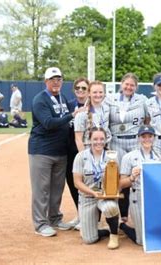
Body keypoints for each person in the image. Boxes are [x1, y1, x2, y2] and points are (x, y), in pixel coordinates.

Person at [28, 67, 86, 237]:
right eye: (52, 79)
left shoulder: (62, 98)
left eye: (59, 79)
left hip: (60, 151)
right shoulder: (40, 100)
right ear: (46, 81)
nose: (56, 82)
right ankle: (40, 224)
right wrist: (72, 115)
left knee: (57, 188)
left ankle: (54, 218)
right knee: (42, 189)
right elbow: (48, 123)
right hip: (42, 151)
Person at [106, 73, 149, 223]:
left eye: (132, 85)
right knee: (118, 178)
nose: (129, 87)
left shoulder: (142, 99)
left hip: (135, 142)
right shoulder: (110, 99)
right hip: (116, 142)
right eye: (126, 84)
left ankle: (142, 213)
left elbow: (148, 119)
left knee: (138, 176)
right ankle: (120, 215)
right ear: (121, 84)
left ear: (136, 87)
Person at [72, 127, 120, 249]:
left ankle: (114, 235)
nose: (99, 142)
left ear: (106, 140)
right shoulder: (81, 156)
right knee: (89, 239)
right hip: (87, 197)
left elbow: (117, 179)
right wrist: (93, 193)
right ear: (89, 140)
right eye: (95, 139)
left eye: (102, 139)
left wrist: (112, 192)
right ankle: (104, 230)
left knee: (111, 207)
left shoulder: (112, 156)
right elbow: (77, 182)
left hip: (106, 197)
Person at [119, 125, 161, 245]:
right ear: (138, 138)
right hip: (137, 194)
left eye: (150, 136)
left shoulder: (160, 157)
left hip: (155, 195)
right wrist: (132, 177)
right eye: (144, 136)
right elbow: (121, 184)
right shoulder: (129, 157)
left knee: (157, 233)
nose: (147, 139)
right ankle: (123, 226)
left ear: (154, 138)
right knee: (142, 241)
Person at [65, 77, 90, 230]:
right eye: (77, 88)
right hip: (70, 151)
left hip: (87, 151)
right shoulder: (69, 105)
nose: (80, 91)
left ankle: (89, 217)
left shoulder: (93, 106)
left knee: (88, 183)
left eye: (83, 88)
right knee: (74, 184)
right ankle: (80, 214)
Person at [75, 81, 111, 152]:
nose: (98, 95)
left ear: (104, 93)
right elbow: (78, 139)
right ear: (89, 93)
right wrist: (84, 158)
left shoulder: (107, 109)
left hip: (105, 150)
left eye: (101, 92)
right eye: (95, 92)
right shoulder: (82, 113)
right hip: (89, 150)